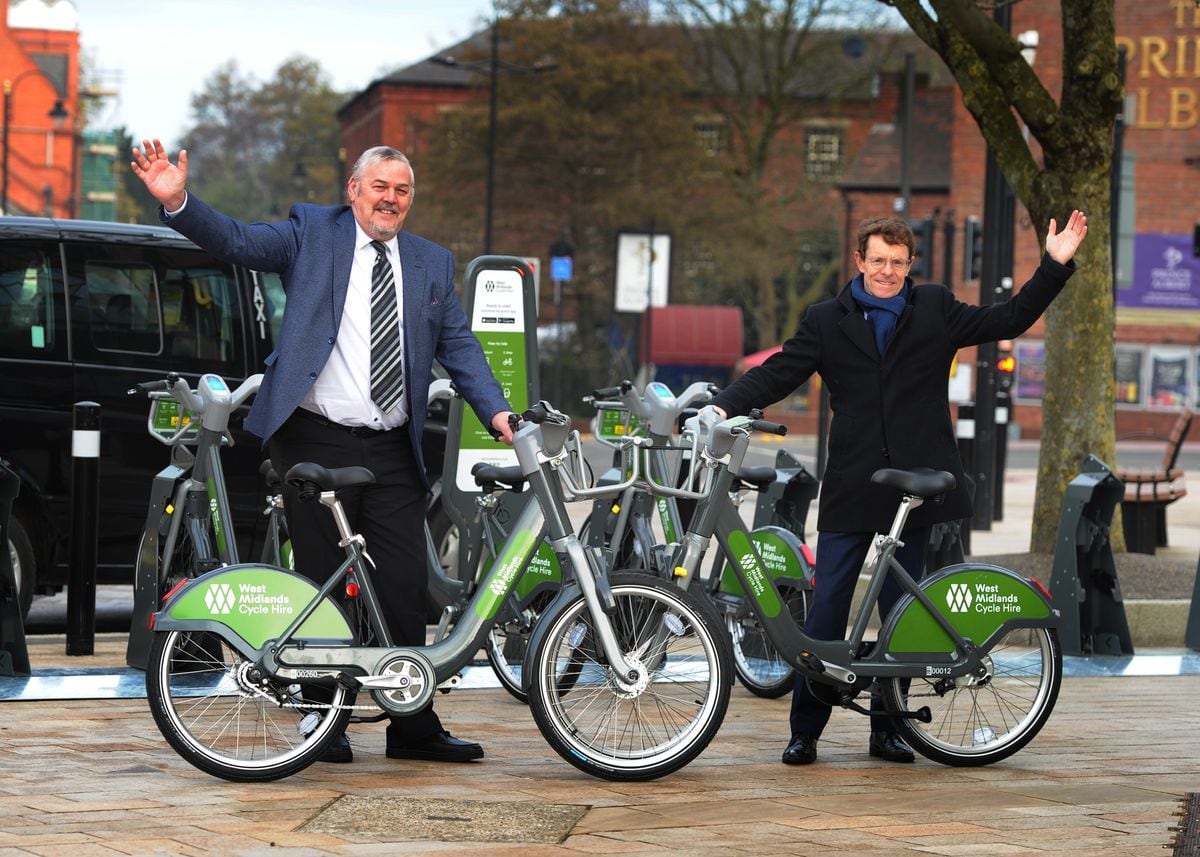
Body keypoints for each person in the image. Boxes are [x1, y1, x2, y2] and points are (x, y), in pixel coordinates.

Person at [131, 139, 515, 765]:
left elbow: (461, 348)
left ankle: (411, 723)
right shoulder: (312, 233)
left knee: (402, 582)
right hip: (314, 433)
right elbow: (236, 241)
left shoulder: (430, 263)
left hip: (392, 444)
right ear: (353, 190)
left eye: (402, 190)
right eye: (379, 187)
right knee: (323, 577)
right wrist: (178, 201)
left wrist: (496, 409)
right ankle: (323, 717)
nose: (390, 199)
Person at [706, 211, 1088, 766]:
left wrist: (1053, 264)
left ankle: (889, 730)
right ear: (859, 261)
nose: (887, 271)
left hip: (915, 485)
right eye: (878, 260)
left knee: (902, 613)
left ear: (911, 265)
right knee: (828, 609)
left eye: (898, 262)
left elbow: (1008, 318)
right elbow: (777, 373)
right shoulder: (825, 319)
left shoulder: (934, 307)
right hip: (854, 483)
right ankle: (806, 731)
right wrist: (723, 404)